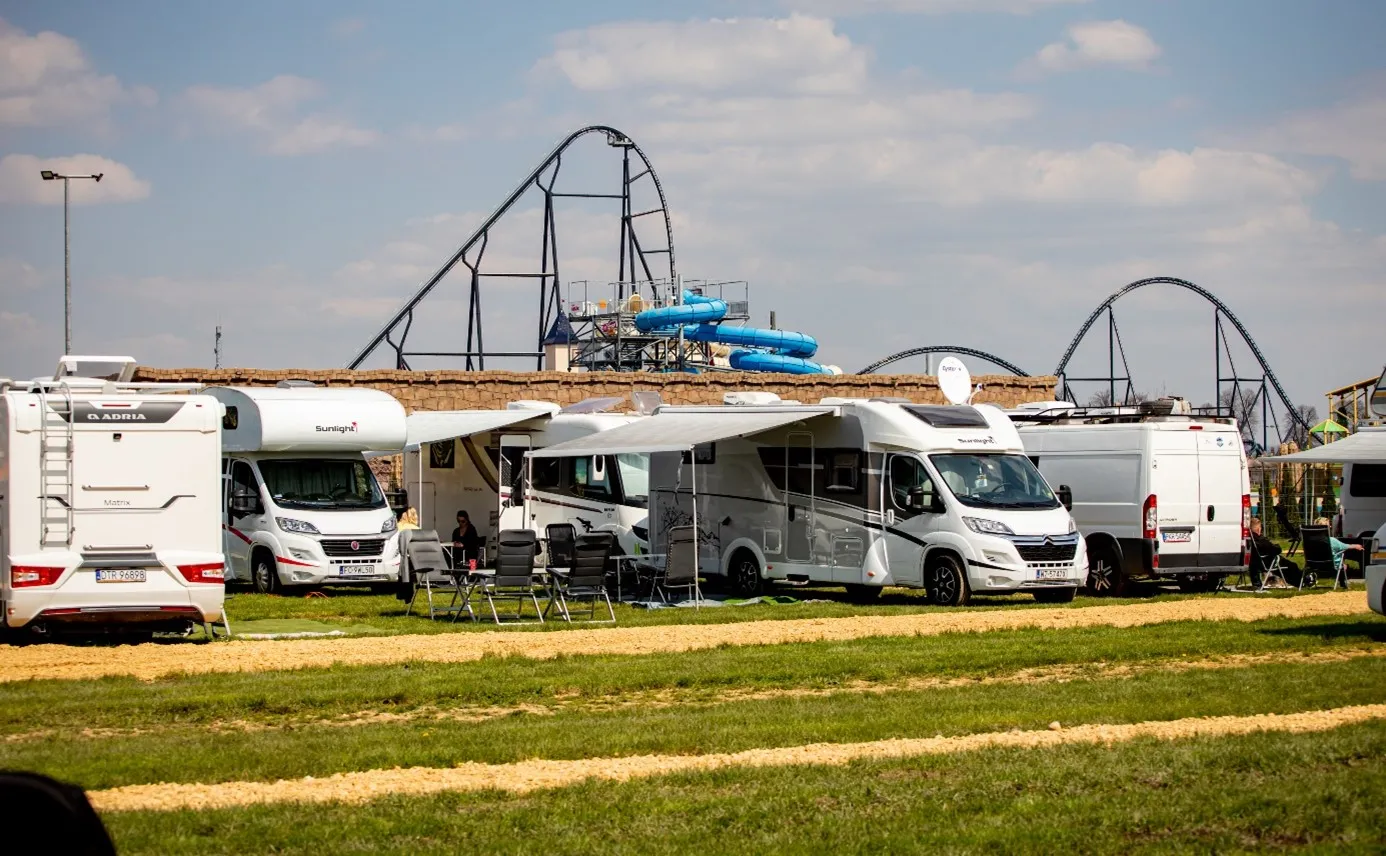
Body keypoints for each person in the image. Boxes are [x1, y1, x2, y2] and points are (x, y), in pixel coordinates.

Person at [1247, 517, 1280, 590]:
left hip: (1255, 563)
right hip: (1266, 562)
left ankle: (1257, 583)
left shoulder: (1249, 539)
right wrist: (1277, 546)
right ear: (1258, 529)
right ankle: (1303, 580)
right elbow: (1276, 550)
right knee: (1291, 567)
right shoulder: (1260, 540)